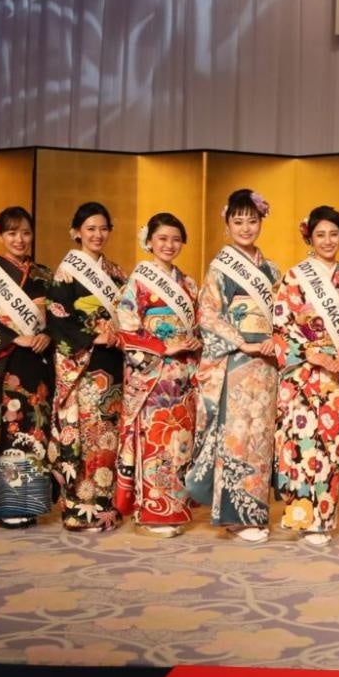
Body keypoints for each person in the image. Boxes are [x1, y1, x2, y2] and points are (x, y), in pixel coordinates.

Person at [186, 189, 285, 542]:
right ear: (227, 224)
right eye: (238, 221)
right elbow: (208, 315)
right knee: (237, 438)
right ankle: (234, 515)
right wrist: (242, 342)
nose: (246, 228)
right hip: (236, 362)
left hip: (266, 365)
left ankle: (255, 512)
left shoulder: (272, 270)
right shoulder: (219, 269)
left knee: (260, 439)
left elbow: (283, 315)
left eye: (252, 221)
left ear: (261, 222)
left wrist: (276, 339)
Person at [273, 205, 339, 545]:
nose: (327, 241)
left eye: (333, 234)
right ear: (309, 237)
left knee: (330, 449)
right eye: (320, 234)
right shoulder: (294, 277)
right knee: (303, 444)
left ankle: (323, 519)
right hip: (305, 375)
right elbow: (281, 326)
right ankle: (301, 516)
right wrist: (312, 354)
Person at [0, 206, 56, 529]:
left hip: (38, 364)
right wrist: (14, 338)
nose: (20, 239)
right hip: (6, 364)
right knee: (9, 429)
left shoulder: (45, 276)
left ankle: (30, 503)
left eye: (25, 233)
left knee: (35, 429)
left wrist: (47, 334)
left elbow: (58, 317)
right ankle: (8, 504)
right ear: (0, 236)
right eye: (12, 233)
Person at [116, 213, 201, 537]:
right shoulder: (138, 281)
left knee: (179, 444)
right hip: (153, 374)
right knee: (154, 441)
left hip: (182, 376)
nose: (169, 245)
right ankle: (153, 511)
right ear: (149, 241)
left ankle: (177, 508)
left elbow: (197, 326)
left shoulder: (188, 284)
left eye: (176, 239)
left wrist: (195, 342)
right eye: (162, 238)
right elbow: (127, 325)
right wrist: (163, 346)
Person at [47, 202, 127, 531]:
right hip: (83, 362)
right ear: (76, 232)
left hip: (113, 361)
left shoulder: (117, 273)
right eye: (90, 228)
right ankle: (80, 509)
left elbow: (128, 314)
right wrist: (93, 335)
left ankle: (106, 506)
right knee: (84, 434)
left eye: (103, 228)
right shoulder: (65, 273)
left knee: (108, 434)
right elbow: (58, 317)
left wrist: (119, 334)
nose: (97, 234)